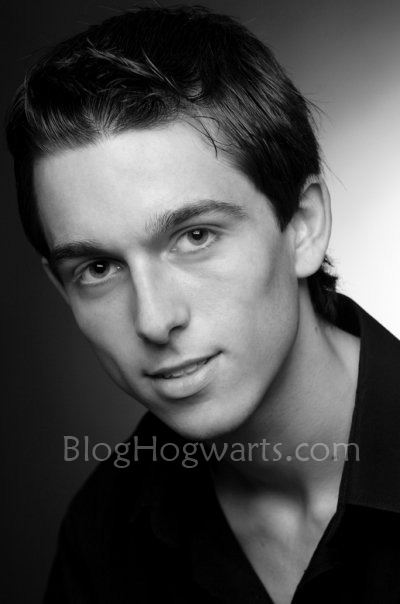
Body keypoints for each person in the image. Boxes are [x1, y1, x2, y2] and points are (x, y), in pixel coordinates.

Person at [6, 5, 400, 603]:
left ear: (302, 226)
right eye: (98, 268)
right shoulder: (105, 534)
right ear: (63, 289)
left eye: (195, 236)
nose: (154, 320)